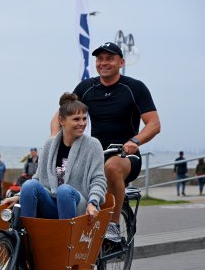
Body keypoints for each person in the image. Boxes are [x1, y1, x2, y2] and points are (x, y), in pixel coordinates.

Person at [51, 42, 161, 242]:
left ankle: (113, 224)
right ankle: (72, 234)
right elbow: (60, 116)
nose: (104, 63)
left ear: (121, 62)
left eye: (109, 58)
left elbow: (153, 124)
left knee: (111, 168)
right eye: (100, 59)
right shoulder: (87, 87)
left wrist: (134, 141)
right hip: (95, 154)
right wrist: (55, 142)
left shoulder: (134, 88)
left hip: (125, 155)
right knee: (65, 178)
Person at [4, 92, 106, 222]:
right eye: (76, 119)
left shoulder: (93, 145)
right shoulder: (49, 144)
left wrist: (93, 202)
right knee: (29, 185)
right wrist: (20, 195)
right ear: (62, 121)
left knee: (64, 191)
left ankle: (67, 239)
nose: (82, 123)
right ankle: (26, 237)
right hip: (51, 203)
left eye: (84, 118)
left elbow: (98, 179)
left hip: (77, 205)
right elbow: (38, 178)